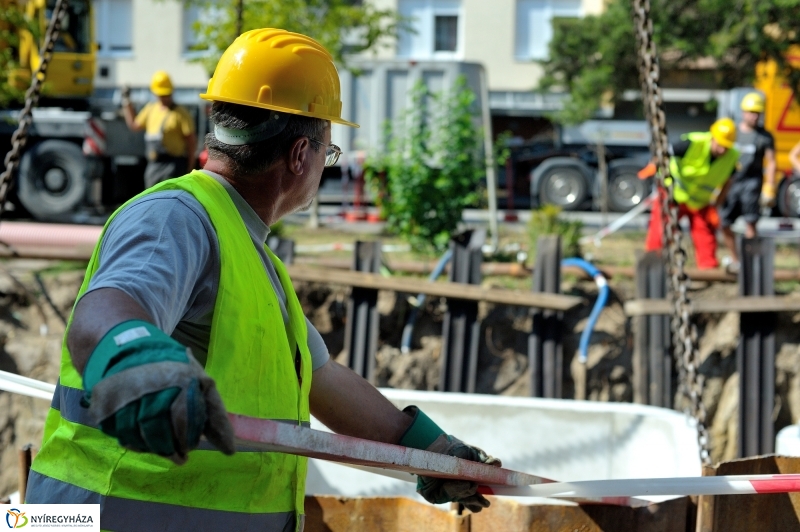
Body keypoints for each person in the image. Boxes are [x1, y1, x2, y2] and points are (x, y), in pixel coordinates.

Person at [25, 29, 498, 531]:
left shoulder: (251, 256)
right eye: (327, 154)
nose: (324, 166)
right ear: (300, 154)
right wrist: (140, 361)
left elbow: (322, 380)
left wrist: (434, 453)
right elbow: (101, 316)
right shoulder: (176, 216)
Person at [644, 118, 739, 269]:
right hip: (673, 195)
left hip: (700, 202)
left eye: (726, 147)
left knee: (705, 236)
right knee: (661, 229)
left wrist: (716, 205)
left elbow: (728, 182)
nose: (722, 150)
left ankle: (708, 270)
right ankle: (652, 264)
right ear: (712, 137)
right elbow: (664, 153)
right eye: (720, 145)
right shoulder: (693, 143)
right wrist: (654, 166)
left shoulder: (732, 157)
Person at [719, 93, 776, 271]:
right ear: (743, 112)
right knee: (724, 222)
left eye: (757, 112)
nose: (754, 116)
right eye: (751, 112)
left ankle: (750, 263)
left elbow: (771, 162)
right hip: (731, 182)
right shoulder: (733, 133)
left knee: (751, 223)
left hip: (752, 183)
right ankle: (736, 259)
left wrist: (769, 186)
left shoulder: (765, 136)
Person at [122, 70, 198, 188]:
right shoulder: (150, 109)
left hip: (174, 165)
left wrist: (190, 167)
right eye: (161, 95)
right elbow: (133, 125)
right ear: (155, 93)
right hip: (154, 165)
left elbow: (191, 141)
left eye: (167, 94)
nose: (164, 98)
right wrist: (126, 102)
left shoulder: (181, 113)